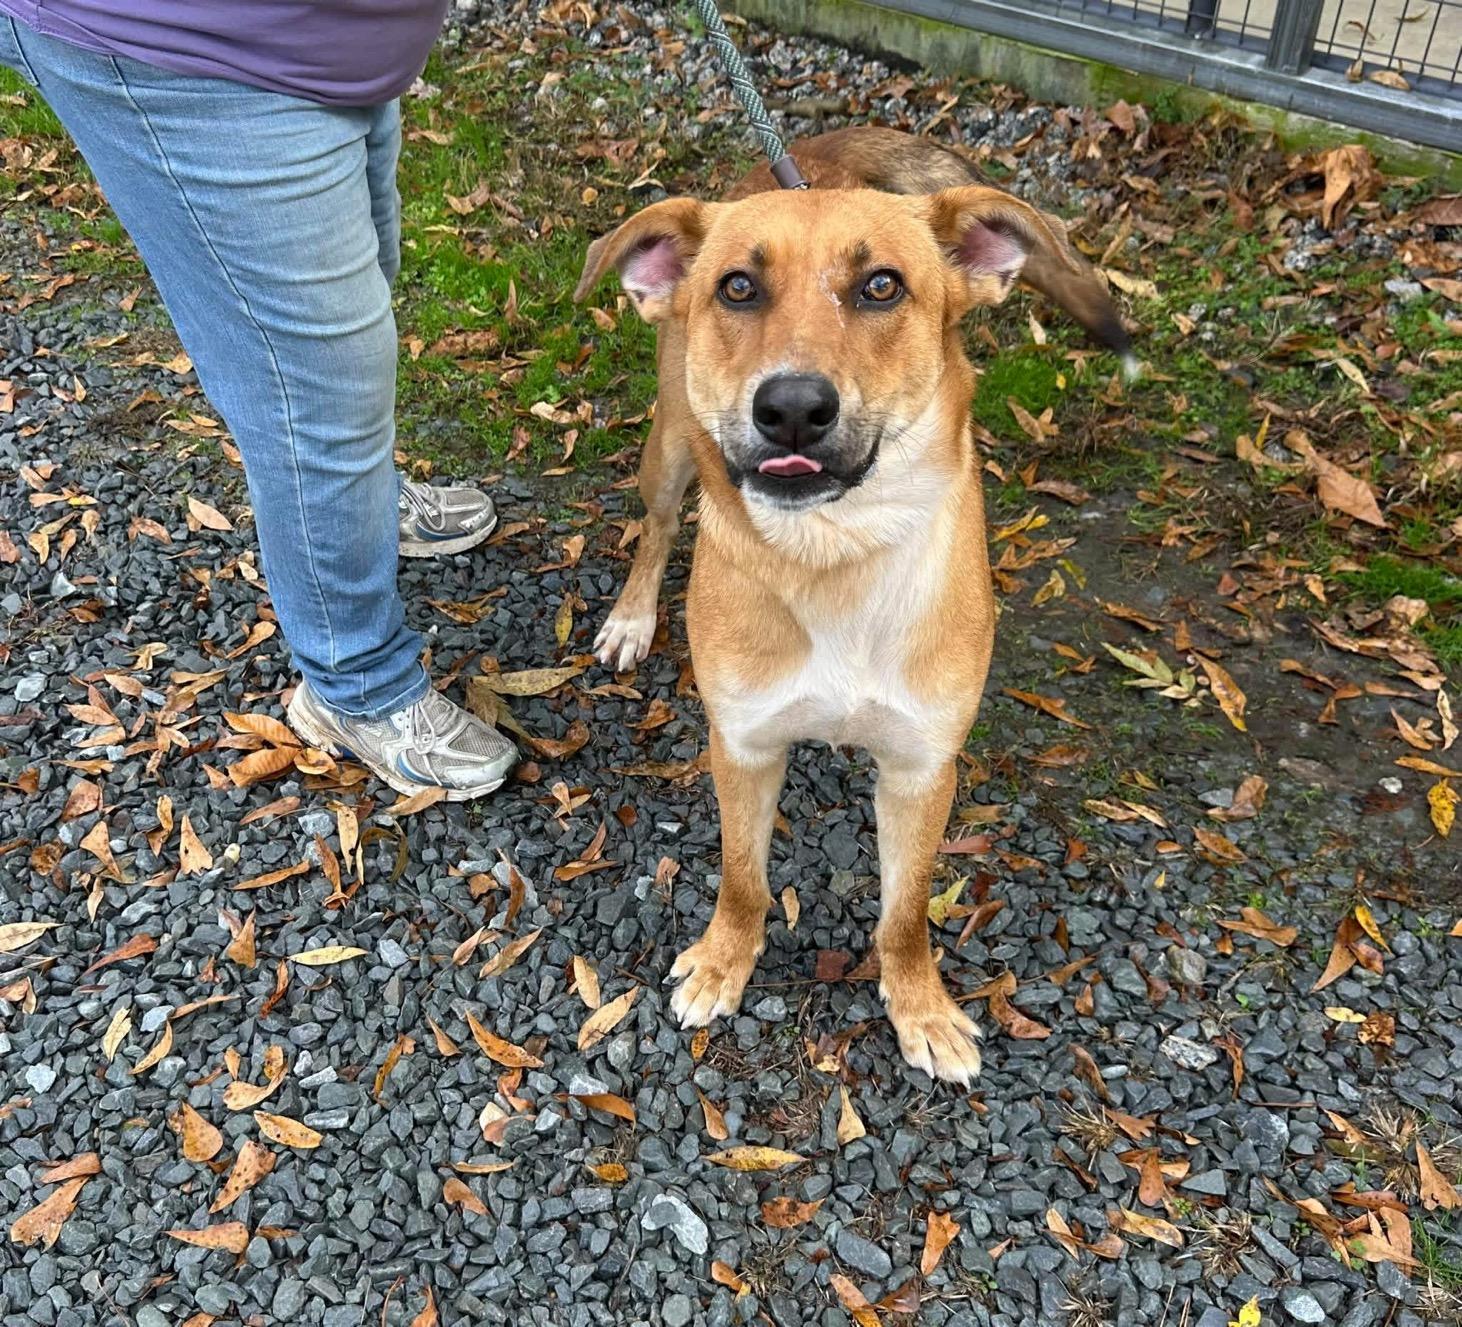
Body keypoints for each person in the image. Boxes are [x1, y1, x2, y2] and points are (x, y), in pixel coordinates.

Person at [0, 2, 517, 801]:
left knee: (360, 305)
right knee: (314, 390)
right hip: (194, 52)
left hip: (335, 45)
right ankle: (355, 685)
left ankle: (362, 509)